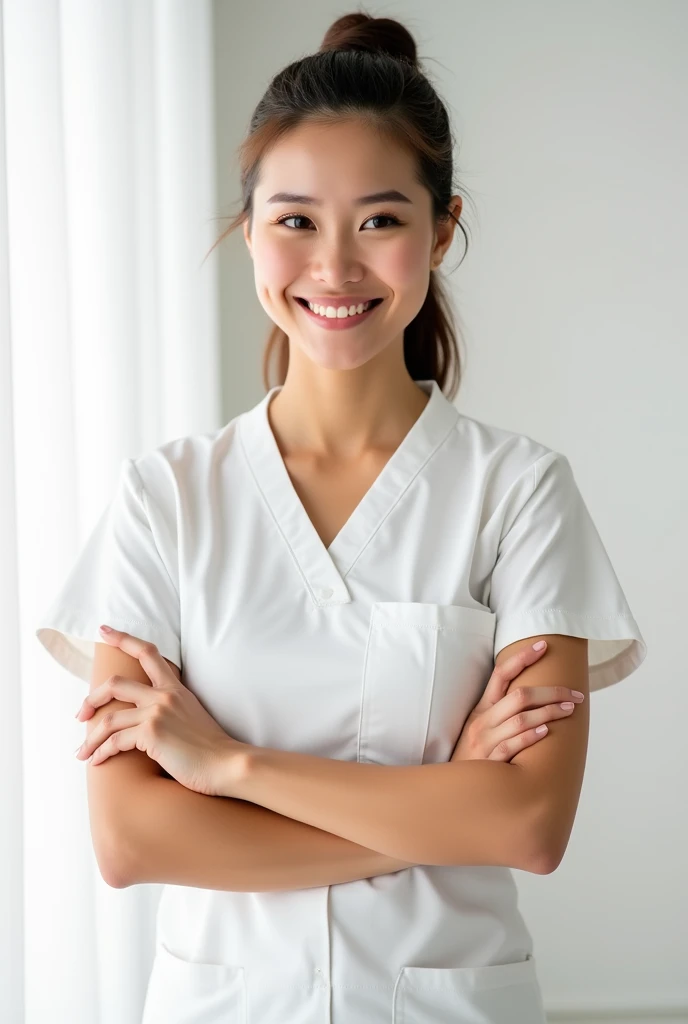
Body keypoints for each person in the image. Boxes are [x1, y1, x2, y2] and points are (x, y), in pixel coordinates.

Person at [36, 10, 647, 1023]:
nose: (333, 267)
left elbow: (531, 822)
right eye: (294, 221)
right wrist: (448, 805)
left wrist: (229, 768)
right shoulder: (165, 498)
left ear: (440, 228)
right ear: (246, 232)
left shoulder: (519, 490)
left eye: (379, 219)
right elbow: (133, 840)